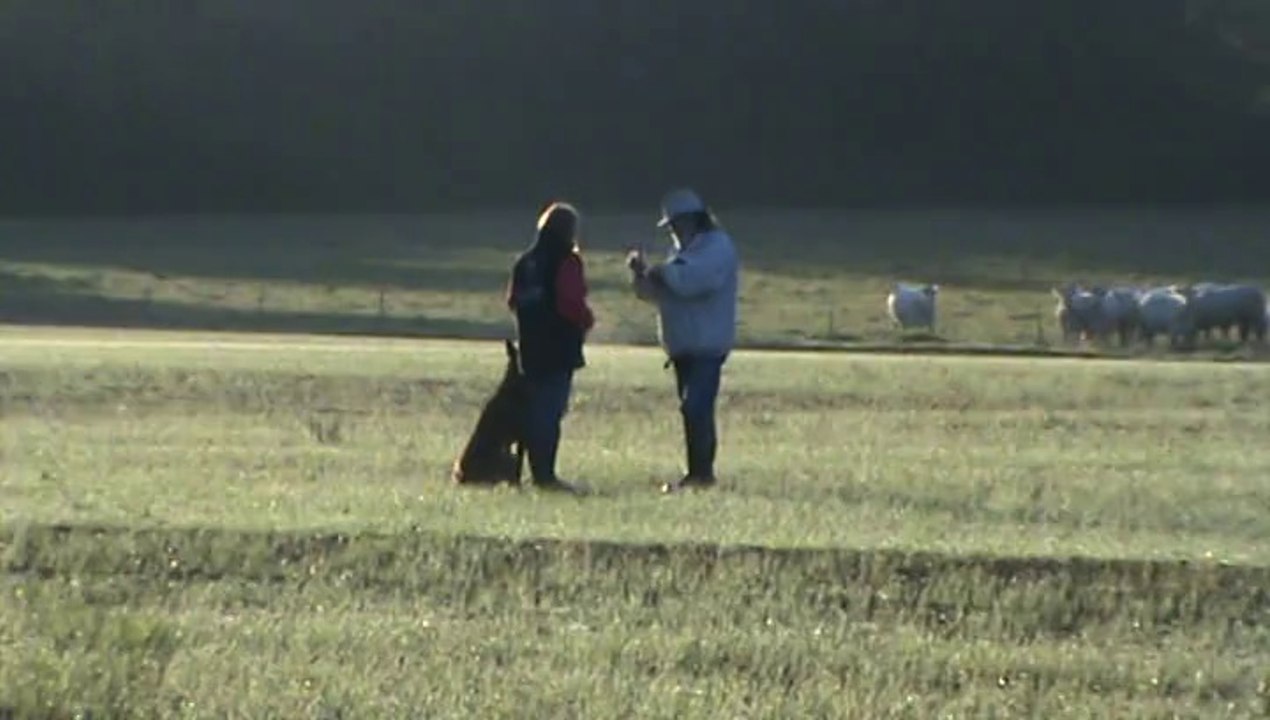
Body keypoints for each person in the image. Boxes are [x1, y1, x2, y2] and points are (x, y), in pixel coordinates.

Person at [626, 188, 739, 494]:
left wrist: (658, 272)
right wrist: (642, 276)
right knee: (692, 411)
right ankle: (698, 472)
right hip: (684, 348)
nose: (674, 231)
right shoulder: (682, 256)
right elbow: (658, 292)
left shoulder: (717, 248)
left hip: (706, 347)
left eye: (676, 224)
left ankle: (702, 473)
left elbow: (693, 282)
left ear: (693, 220)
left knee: (696, 409)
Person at [506, 201, 594, 494]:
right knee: (550, 411)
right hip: (559, 348)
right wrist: (586, 319)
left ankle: (531, 470)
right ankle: (545, 476)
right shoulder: (566, 261)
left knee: (533, 410)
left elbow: (513, 302)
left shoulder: (524, 262)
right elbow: (570, 303)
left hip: (530, 348)